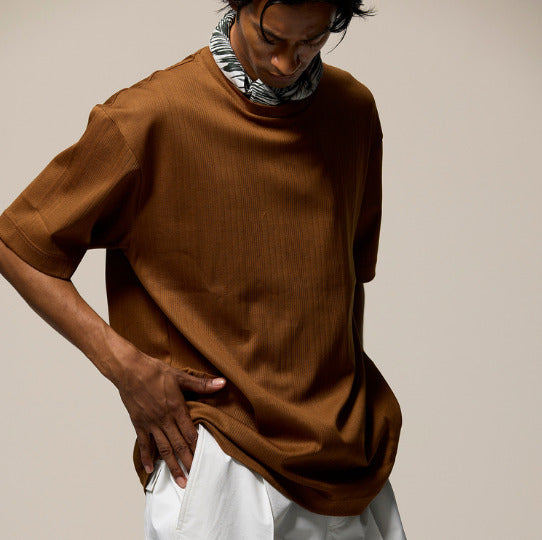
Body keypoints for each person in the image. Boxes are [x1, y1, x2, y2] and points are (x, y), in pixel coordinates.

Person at [0, 0, 406, 538]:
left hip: (348, 459)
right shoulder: (150, 116)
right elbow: (18, 242)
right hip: (218, 457)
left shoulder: (352, 110)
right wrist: (127, 368)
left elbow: (344, 278)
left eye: (311, 42)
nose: (288, 63)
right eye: (271, 38)